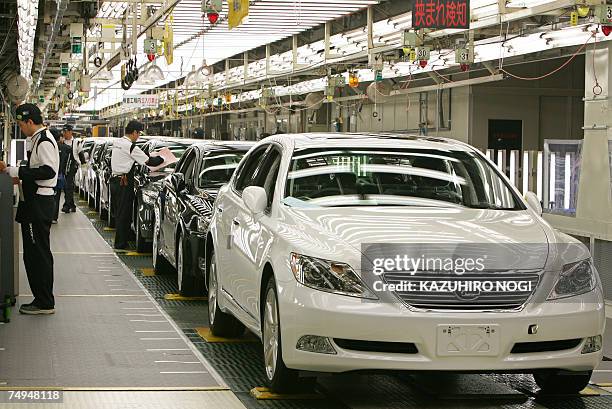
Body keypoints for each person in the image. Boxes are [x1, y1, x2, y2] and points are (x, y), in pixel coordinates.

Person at [0, 104, 59, 314]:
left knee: (38, 252)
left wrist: (16, 170)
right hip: (33, 200)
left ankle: (44, 301)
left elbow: (48, 171)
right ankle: (41, 298)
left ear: (30, 122)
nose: (21, 128)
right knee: (33, 252)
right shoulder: (34, 140)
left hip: (39, 203)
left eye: (21, 124)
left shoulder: (44, 141)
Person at [110, 120, 163, 249]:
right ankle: (120, 243)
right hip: (124, 182)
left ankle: (121, 240)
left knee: (119, 213)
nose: (138, 136)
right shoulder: (131, 147)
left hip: (114, 181)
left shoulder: (117, 143)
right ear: (134, 132)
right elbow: (150, 162)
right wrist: (164, 158)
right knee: (124, 213)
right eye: (138, 134)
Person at [60, 124, 85, 213]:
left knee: (68, 185)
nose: (64, 133)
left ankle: (66, 205)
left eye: (66, 132)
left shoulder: (76, 142)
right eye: (63, 132)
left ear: (70, 132)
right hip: (63, 166)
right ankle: (72, 205)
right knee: (67, 186)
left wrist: (83, 166)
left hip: (72, 166)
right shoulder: (61, 142)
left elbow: (81, 155)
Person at [50, 128, 69, 223]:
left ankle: (48, 216)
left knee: (48, 196)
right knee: (56, 197)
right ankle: (54, 217)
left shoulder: (48, 146)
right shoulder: (64, 147)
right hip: (59, 176)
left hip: (48, 176)